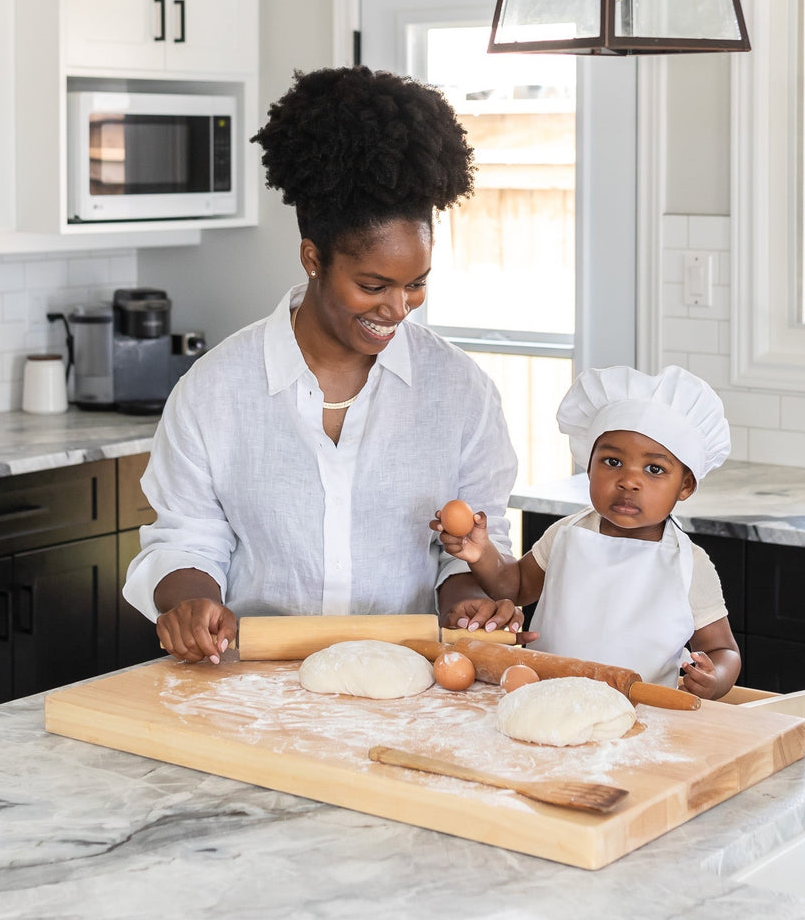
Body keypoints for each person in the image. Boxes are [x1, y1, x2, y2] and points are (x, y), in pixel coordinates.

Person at [124, 65, 527, 664]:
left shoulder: (460, 392)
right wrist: (188, 601)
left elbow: (462, 551)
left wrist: (465, 600)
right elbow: (186, 537)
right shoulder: (215, 391)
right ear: (313, 257)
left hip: (411, 682)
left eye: (416, 284)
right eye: (372, 285)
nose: (398, 309)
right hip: (251, 687)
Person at [432, 364, 742, 699]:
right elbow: (515, 586)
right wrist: (481, 553)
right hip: (546, 698)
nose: (628, 480)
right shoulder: (567, 533)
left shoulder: (689, 564)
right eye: (612, 462)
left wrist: (716, 677)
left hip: (641, 716)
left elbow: (723, 649)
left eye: (654, 469)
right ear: (589, 464)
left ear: (685, 486)